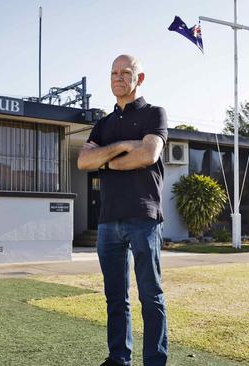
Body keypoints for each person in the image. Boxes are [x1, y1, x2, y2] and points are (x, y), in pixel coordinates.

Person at [77, 55, 168, 366]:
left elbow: (148, 153)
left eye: (125, 72)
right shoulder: (103, 124)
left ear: (139, 78)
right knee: (116, 297)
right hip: (108, 221)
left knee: (150, 295)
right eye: (114, 72)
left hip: (144, 216)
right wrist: (121, 147)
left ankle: (154, 360)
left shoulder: (154, 114)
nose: (118, 78)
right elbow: (83, 162)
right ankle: (119, 358)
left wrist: (107, 160)